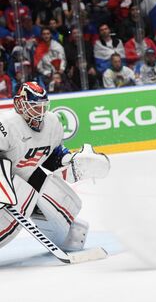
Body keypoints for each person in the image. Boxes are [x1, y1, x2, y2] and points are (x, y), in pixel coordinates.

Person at [0, 82, 110, 251]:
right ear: (20, 104)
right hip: (8, 185)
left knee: (66, 207)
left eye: (43, 107)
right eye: (35, 107)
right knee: (20, 195)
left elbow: (52, 156)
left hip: (27, 178)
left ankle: (66, 237)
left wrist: (69, 160)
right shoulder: (6, 124)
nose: (41, 112)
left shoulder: (51, 122)